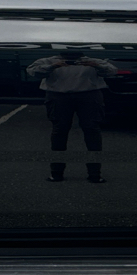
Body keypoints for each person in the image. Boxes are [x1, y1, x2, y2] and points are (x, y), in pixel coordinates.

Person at [27, 50, 118, 183]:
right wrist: (53, 66)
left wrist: (96, 66)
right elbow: (32, 72)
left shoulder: (93, 61)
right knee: (60, 132)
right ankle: (56, 173)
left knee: (92, 131)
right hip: (59, 96)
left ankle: (95, 174)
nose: (72, 59)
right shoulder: (49, 61)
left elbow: (112, 71)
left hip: (88, 95)